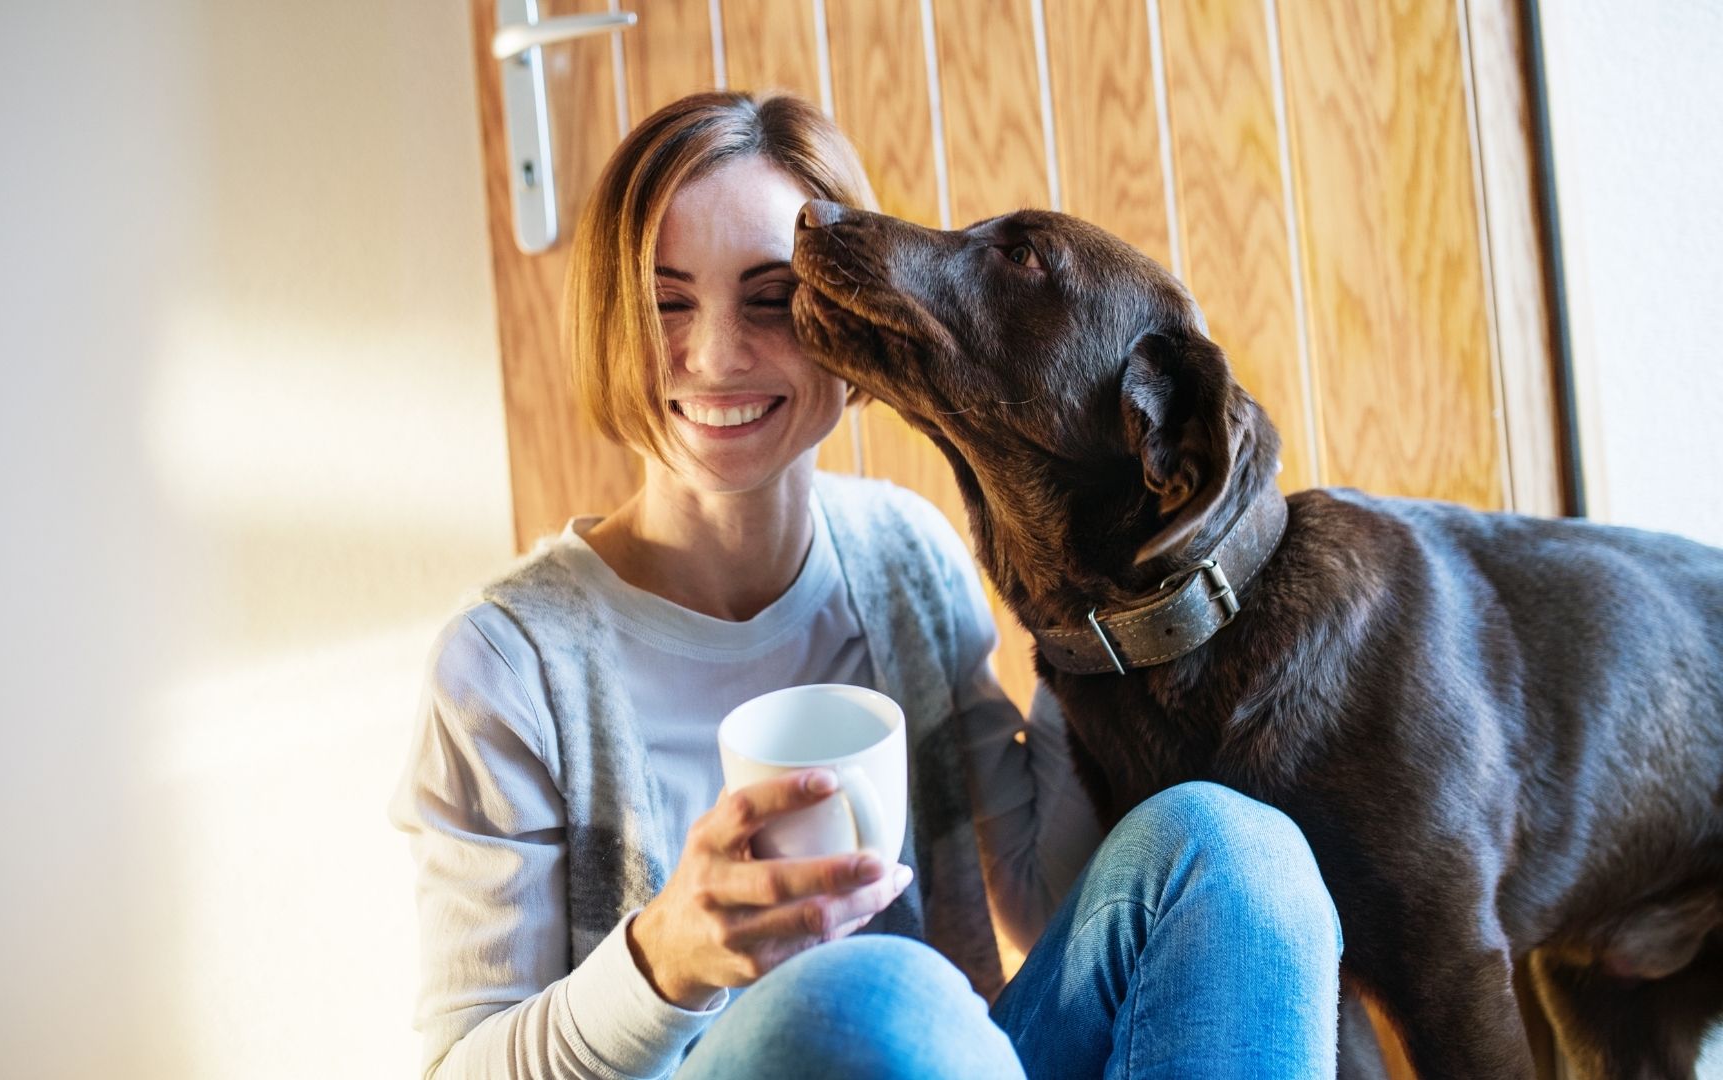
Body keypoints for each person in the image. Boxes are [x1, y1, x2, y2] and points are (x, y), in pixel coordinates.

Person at [388, 90, 1342, 1080]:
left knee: (1235, 853)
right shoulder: (506, 665)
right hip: (842, 1033)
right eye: (667, 302)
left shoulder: (904, 557)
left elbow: (1035, 888)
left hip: (944, 1055)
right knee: (874, 992)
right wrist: (661, 962)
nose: (716, 357)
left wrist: (1092, 590)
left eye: (769, 299)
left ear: (849, 311)